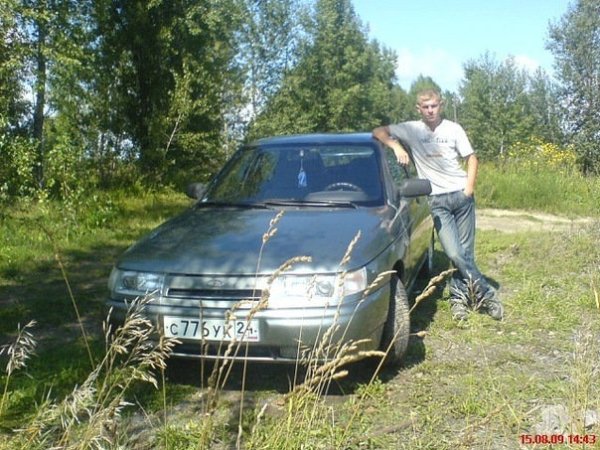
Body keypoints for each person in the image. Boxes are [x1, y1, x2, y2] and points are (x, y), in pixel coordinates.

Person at [372, 89, 503, 321]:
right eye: (426, 107)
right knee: (454, 252)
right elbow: (378, 131)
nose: (430, 111)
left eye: (434, 106)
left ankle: (458, 302)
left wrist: (468, 189)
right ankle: (488, 295)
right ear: (419, 109)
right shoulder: (411, 129)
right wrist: (396, 147)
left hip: (462, 197)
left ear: (440, 105)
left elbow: (471, 158)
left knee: (465, 254)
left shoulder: (454, 129)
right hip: (437, 200)